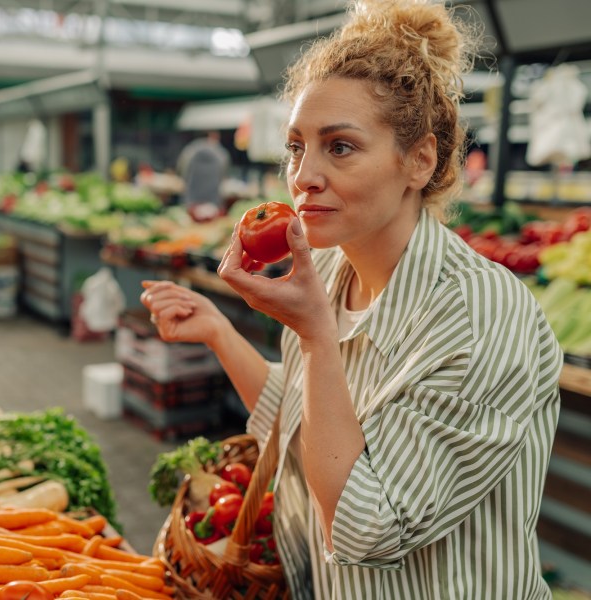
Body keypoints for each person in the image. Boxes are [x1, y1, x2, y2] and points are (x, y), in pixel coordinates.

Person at [140, 1, 562, 598]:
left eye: (339, 147)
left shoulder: (481, 320)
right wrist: (219, 332)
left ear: (420, 160)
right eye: (296, 147)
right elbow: (303, 420)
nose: (303, 175)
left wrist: (314, 336)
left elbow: (369, 530)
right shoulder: (334, 271)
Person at [176, 130, 231, 219]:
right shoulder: (221, 152)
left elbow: (181, 172)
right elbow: (224, 175)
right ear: (212, 135)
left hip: (191, 202)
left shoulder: (189, 150)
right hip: (214, 203)